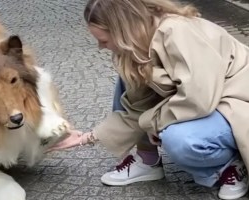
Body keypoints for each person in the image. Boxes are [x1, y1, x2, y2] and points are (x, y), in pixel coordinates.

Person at [48, 0, 249, 199]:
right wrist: (87, 137)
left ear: (123, 31)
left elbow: (199, 99)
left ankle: (229, 164)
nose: (101, 47)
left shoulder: (177, 31)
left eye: (104, 40)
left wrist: (153, 122)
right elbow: (136, 107)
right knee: (128, 80)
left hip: (237, 100)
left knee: (181, 140)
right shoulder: (136, 47)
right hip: (208, 102)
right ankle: (147, 160)